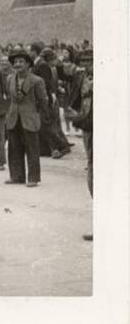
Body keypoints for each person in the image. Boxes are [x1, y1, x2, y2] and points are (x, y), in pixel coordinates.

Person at [5, 48, 49, 187]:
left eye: (21, 62)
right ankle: (16, 176)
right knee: (14, 148)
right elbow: (9, 98)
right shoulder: (10, 79)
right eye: (15, 62)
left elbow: (43, 101)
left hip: (29, 119)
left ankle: (33, 178)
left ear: (28, 64)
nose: (18, 64)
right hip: (13, 118)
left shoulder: (37, 81)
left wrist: (38, 116)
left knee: (32, 149)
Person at [64, 49, 93, 240]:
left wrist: (78, 117)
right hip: (89, 130)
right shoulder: (83, 77)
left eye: (90, 60)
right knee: (93, 172)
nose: (87, 63)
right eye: (83, 60)